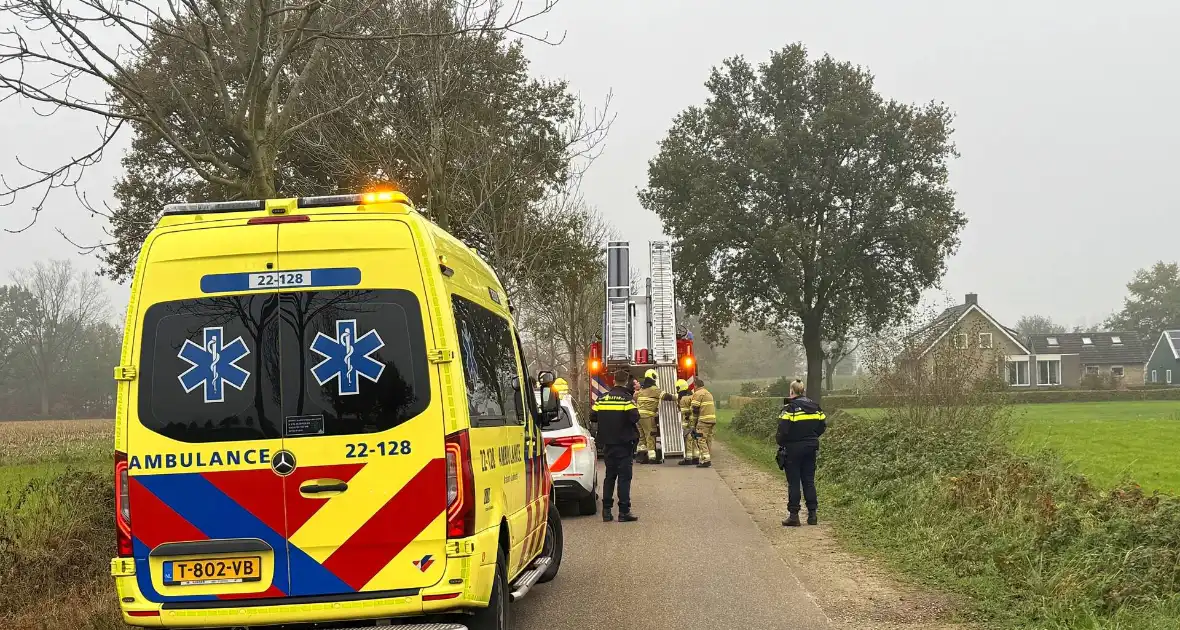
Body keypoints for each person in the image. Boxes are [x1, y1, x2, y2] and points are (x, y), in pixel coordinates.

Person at [590, 369, 642, 523]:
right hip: (624, 444)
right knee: (624, 478)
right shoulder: (627, 400)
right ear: (625, 382)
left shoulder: (602, 399)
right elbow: (635, 417)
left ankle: (606, 512)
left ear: (613, 381)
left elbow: (593, 416)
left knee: (609, 477)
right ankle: (624, 512)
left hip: (607, 445)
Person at [777, 380, 826, 526]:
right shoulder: (815, 407)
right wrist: (811, 437)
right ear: (803, 391)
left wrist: (782, 443)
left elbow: (782, 431)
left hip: (793, 450)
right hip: (810, 448)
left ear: (792, 391)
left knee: (794, 483)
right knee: (809, 481)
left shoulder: (789, 409)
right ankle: (812, 515)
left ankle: (794, 516)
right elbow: (822, 426)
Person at [635, 368, 676, 464]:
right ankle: (652, 458)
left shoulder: (641, 389)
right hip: (647, 417)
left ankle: (641, 457)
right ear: (653, 378)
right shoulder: (654, 389)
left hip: (638, 417)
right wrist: (676, 397)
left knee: (642, 437)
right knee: (650, 436)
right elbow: (666, 396)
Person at [689, 377, 717, 468]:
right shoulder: (708, 393)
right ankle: (707, 458)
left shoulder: (697, 394)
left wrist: (693, 424)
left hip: (703, 421)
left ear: (696, 386)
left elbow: (695, 409)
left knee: (701, 440)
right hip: (712, 420)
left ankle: (706, 461)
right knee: (708, 439)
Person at [675, 379, 700, 466]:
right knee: (694, 439)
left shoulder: (683, 399)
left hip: (688, 422)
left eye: (677, 388)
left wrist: (685, 426)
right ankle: (696, 457)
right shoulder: (692, 396)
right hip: (695, 421)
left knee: (688, 439)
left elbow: (685, 413)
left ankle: (688, 458)